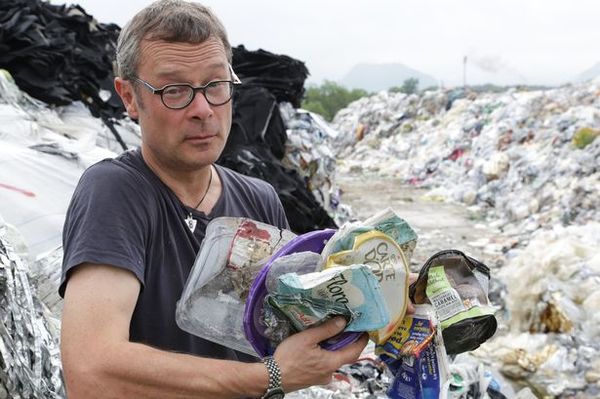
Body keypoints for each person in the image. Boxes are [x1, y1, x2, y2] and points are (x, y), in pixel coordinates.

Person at [58, 1, 368, 398]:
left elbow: (298, 333)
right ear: (130, 97)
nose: (202, 110)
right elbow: (91, 371)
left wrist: (382, 295)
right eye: (175, 90)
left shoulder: (259, 200)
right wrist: (269, 377)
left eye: (215, 86)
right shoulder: (116, 192)